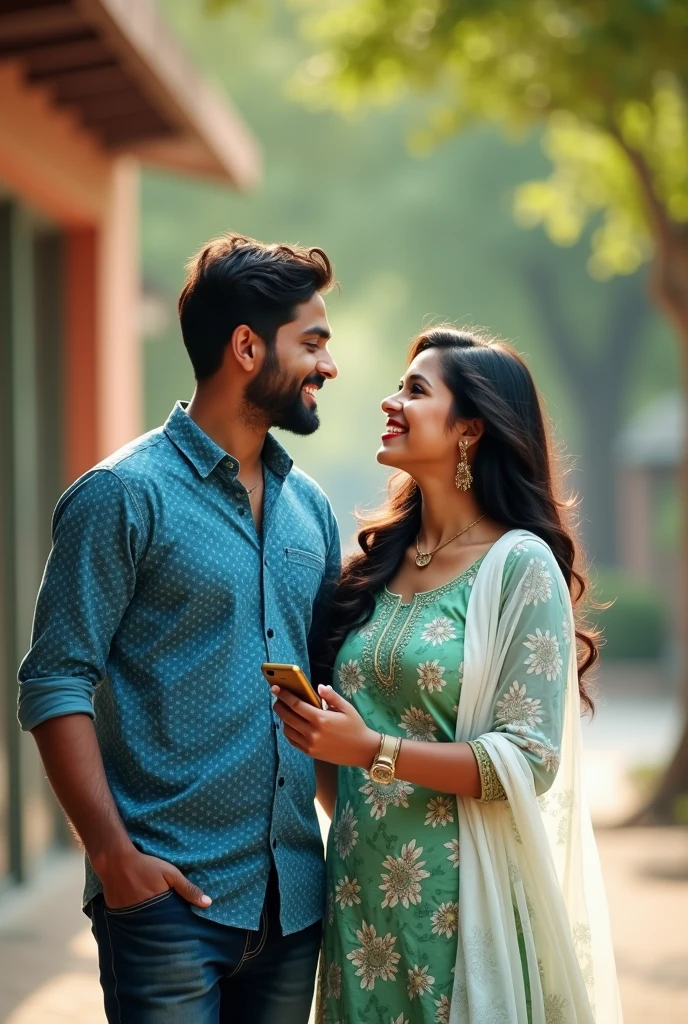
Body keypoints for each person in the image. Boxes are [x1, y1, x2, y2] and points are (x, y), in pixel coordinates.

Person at [17, 233, 341, 1024]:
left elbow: (335, 686)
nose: (328, 366)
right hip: (166, 905)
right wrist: (112, 859)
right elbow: (53, 680)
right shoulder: (122, 496)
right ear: (245, 347)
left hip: (293, 903)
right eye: (312, 342)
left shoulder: (314, 511)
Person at [273, 326, 622, 1024]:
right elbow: (334, 749)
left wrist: (372, 751)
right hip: (356, 897)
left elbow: (531, 758)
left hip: (460, 906)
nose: (389, 401)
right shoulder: (373, 567)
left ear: (469, 428)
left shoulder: (518, 567)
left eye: (414, 390)